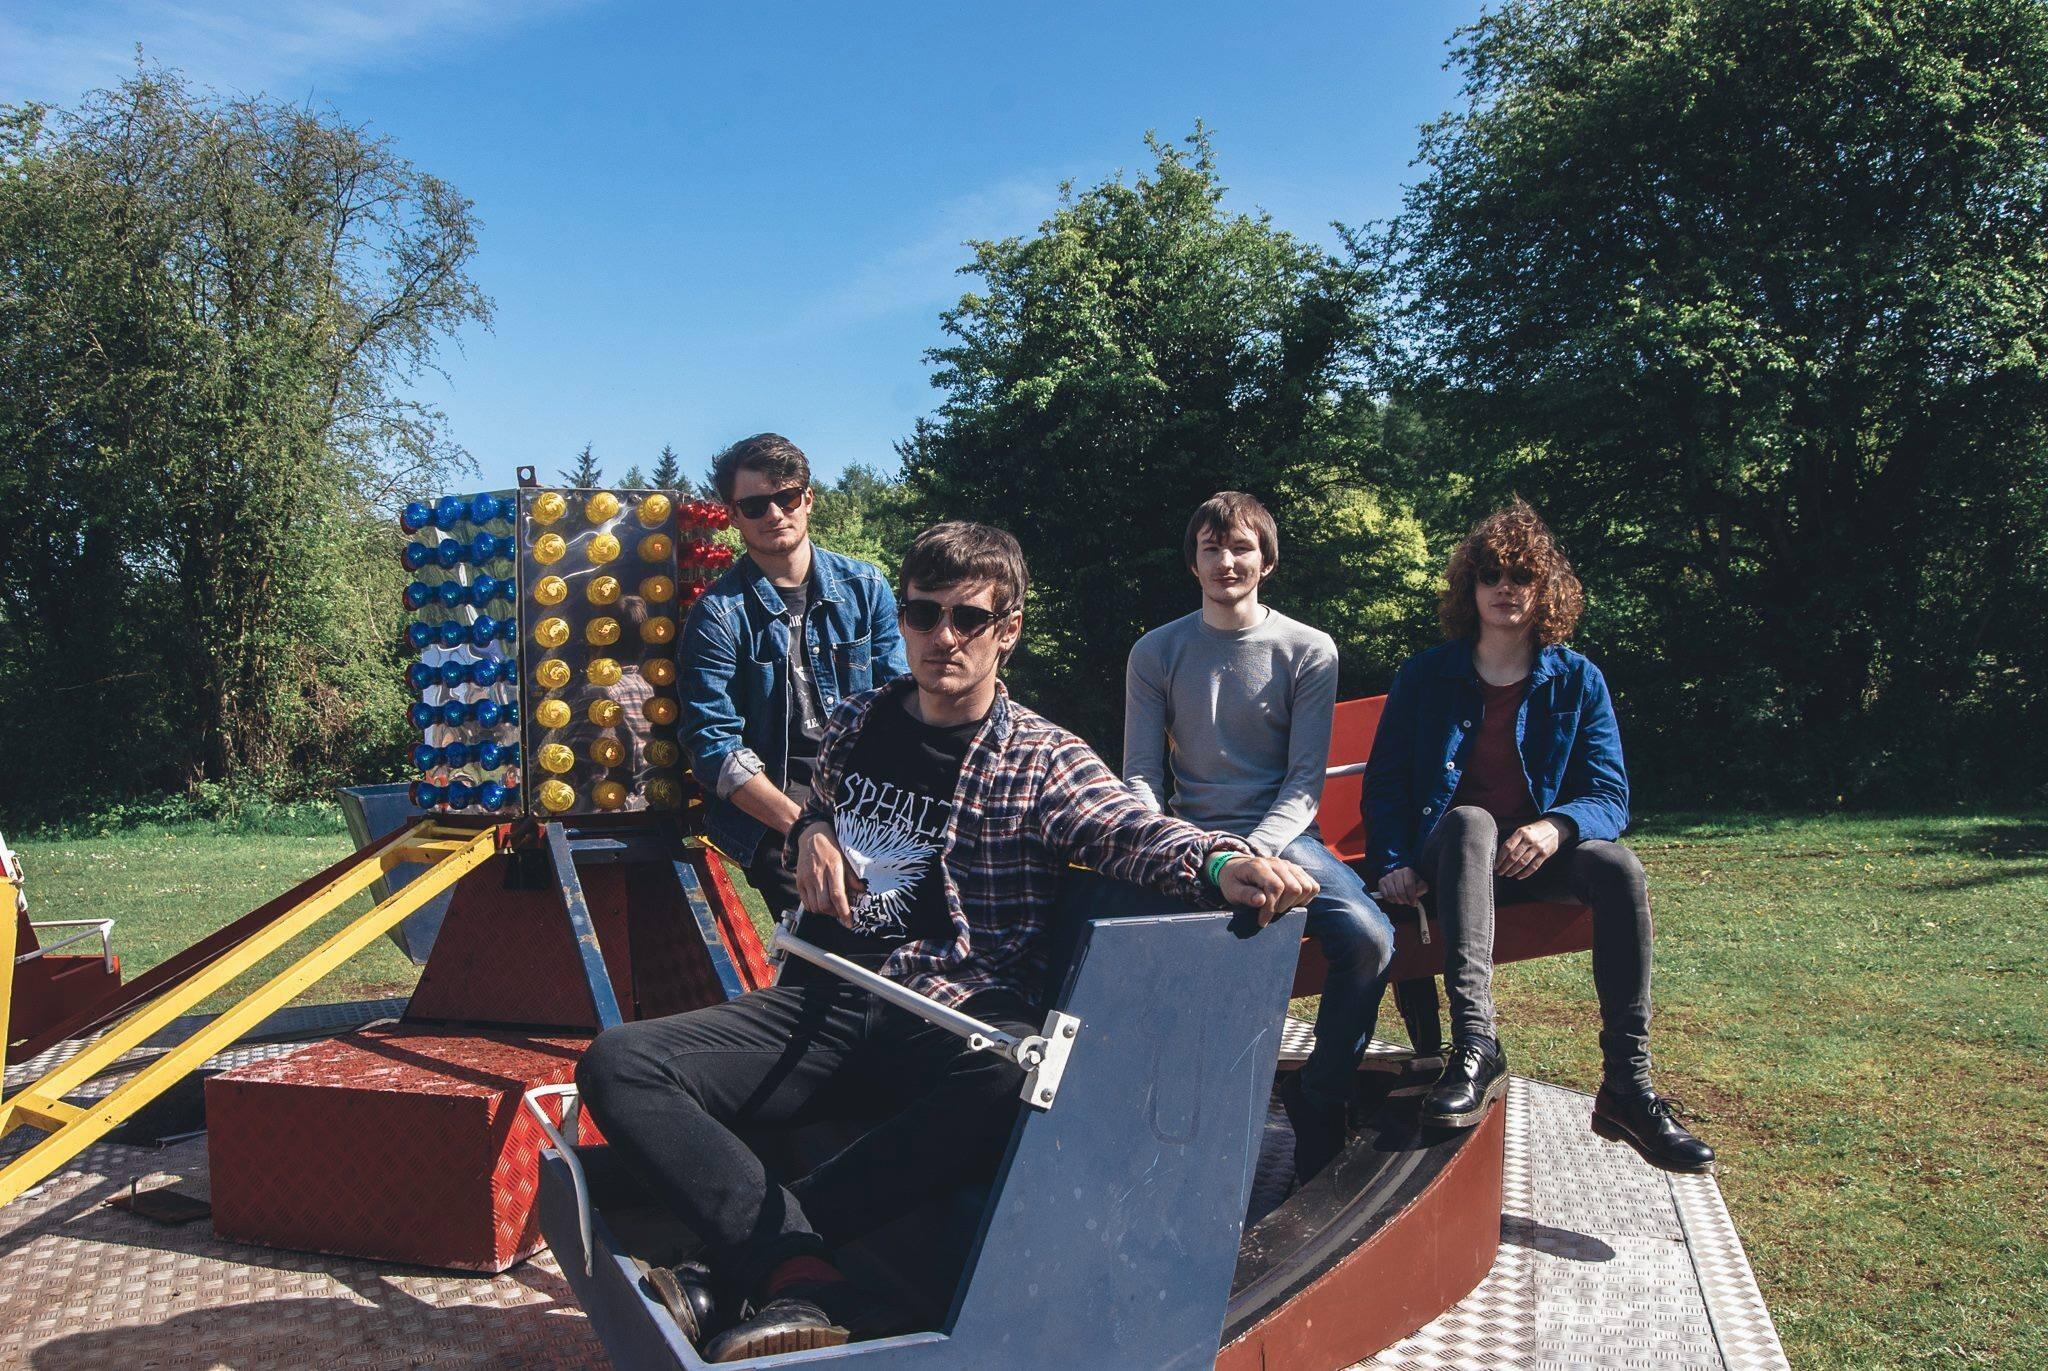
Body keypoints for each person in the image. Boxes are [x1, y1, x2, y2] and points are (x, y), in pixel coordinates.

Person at [578, 521, 1321, 1361]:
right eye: (923, 613)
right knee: (619, 1063)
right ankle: (799, 1271)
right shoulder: (860, 718)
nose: (943, 637)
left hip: (948, 1011)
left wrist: (1223, 860)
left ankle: (743, 1267)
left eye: (969, 618)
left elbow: (1131, 831)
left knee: (1013, 1072)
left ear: (1008, 630)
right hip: (828, 993)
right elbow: (820, 798)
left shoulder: (1042, 758)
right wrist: (812, 828)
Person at [1363, 500, 1713, 1173]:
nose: (1505, 588)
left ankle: (1627, 1084)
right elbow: (1385, 785)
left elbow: (1609, 793)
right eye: (1490, 574)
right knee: (1471, 820)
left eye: (1520, 575)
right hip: (1450, 860)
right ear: (1469, 587)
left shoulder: (1577, 679)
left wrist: (1559, 825)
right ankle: (1476, 1044)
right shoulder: (1426, 675)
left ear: (1543, 588)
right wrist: (1393, 861)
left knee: (1619, 867)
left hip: (1533, 863)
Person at [1122, 491, 1394, 1181]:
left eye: (1241, 547)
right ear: (1193, 563)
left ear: (1266, 561)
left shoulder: (1308, 650)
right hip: (1188, 837)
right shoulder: (1156, 651)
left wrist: (1254, 850)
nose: (1226, 561)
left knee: (1369, 936)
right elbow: (1140, 774)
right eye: (1211, 548)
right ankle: (1159, 1118)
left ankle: (1321, 1096)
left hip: (1283, 834)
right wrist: (1176, 846)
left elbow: (1303, 783)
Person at [678, 433, 908, 920]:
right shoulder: (717, 615)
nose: (774, 514)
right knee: (843, 922)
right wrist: (806, 827)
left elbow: (903, 703)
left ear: (808, 499)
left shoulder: (866, 588)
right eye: (755, 505)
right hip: (774, 807)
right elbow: (713, 746)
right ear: (733, 515)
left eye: (785, 498)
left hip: (868, 794)